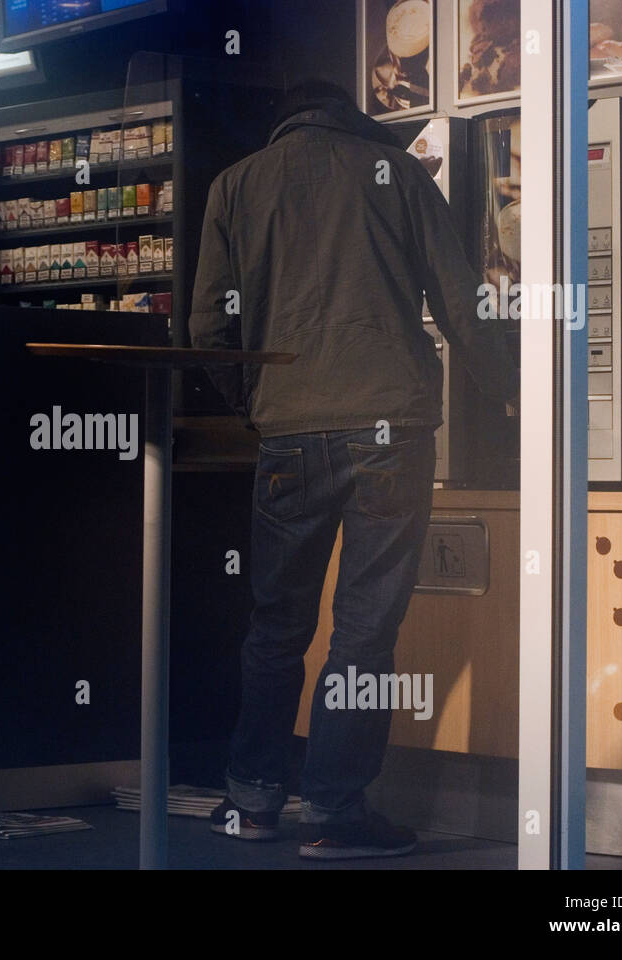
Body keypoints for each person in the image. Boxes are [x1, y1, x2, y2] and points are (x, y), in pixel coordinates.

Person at [189, 79, 519, 858]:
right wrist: (511, 397)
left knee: (275, 627)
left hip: (287, 433)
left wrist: (258, 399)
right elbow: (463, 300)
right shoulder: (397, 173)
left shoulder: (234, 186)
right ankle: (335, 816)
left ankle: (253, 799)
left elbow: (210, 320)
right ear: (350, 117)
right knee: (364, 631)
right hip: (390, 431)